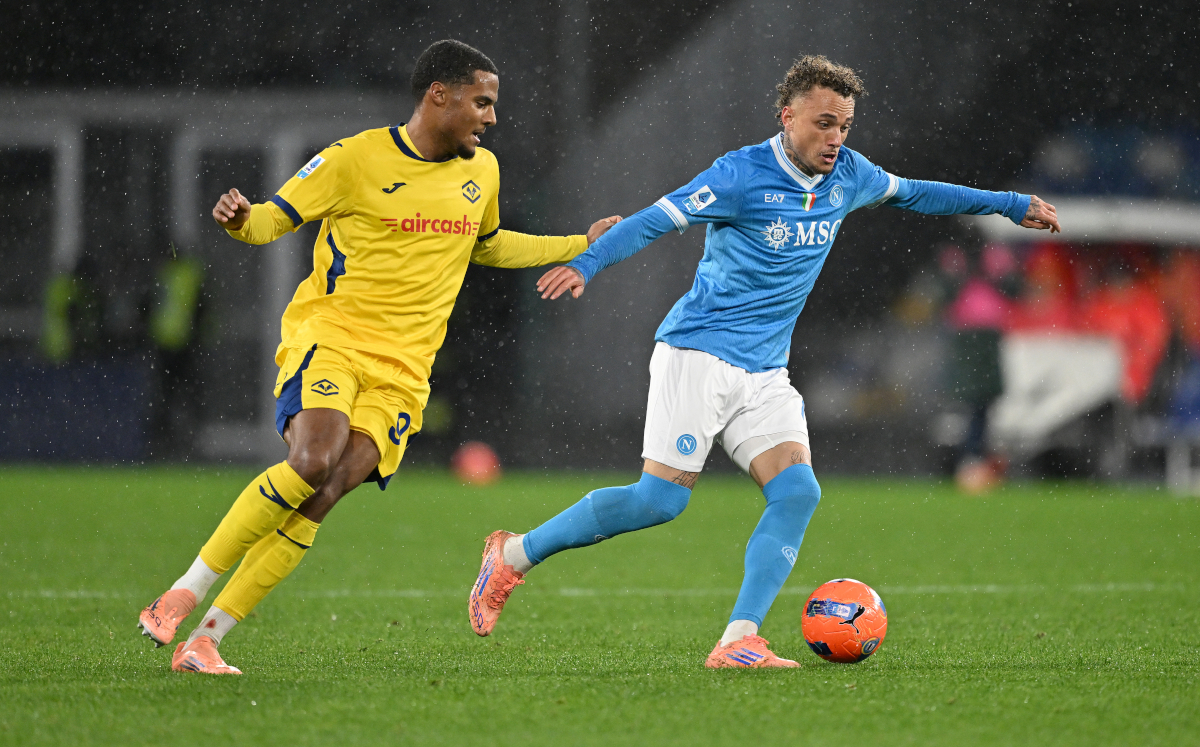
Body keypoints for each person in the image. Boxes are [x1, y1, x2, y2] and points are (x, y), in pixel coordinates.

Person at [469, 54, 1059, 668]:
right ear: (789, 116)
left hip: (765, 372)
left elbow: (918, 194)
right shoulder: (739, 176)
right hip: (698, 352)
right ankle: (511, 556)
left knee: (798, 493)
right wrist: (587, 263)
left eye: (845, 126)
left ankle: (737, 641)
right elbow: (655, 219)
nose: (836, 139)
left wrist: (1007, 203)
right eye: (824, 123)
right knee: (659, 503)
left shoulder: (849, 176)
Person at [138, 39, 620, 675]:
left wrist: (575, 244)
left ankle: (206, 640)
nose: (491, 117)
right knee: (311, 460)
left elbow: (491, 245)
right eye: (482, 102)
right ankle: (184, 589)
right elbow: (269, 222)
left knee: (328, 489)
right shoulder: (353, 159)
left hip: (405, 371)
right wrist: (239, 218)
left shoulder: (484, 174)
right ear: (437, 96)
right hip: (332, 339)